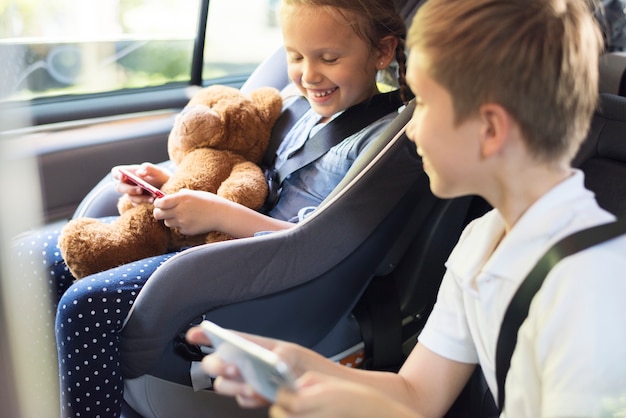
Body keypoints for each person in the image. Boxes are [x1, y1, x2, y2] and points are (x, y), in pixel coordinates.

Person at [187, 0, 626, 416]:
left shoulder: (591, 288)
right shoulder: (482, 242)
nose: (410, 128)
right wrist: (300, 367)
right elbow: (418, 395)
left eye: (425, 103)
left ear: (489, 129)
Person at [13, 0, 411, 416]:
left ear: (382, 52)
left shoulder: (379, 141)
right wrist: (172, 185)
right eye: (295, 56)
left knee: (86, 304)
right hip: (212, 238)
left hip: (256, 274)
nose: (308, 74)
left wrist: (219, 214)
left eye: (329, 58)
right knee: (33, 256)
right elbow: (248, 174)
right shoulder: (298, 107)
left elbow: (316, 244)